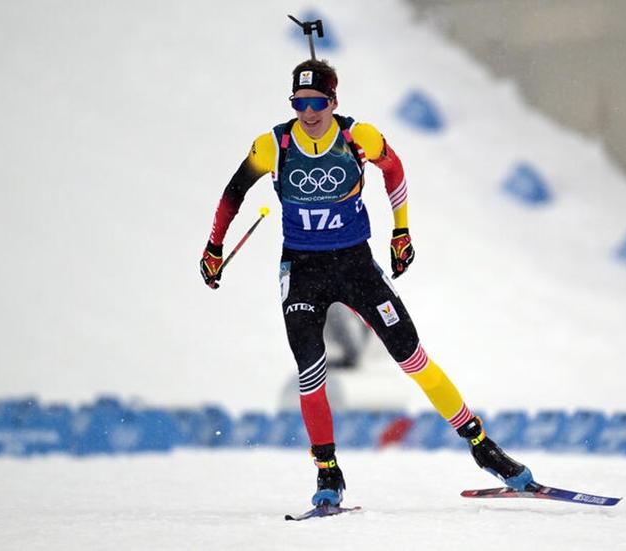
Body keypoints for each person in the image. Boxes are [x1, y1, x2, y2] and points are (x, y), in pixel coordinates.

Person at [200, 59, 533, 507]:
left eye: (317, 102)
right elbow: (232, 194)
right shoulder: (273, 144)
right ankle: (327, 472)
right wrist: (214, 248)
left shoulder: (360, 137)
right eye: (299, 103)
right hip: (302, 270)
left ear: (334, 101)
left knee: (411, 357)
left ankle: (482, 446)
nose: (308, 112)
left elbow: (393, 170)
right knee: (310, 368)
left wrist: (402, 232)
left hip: (355, 264)